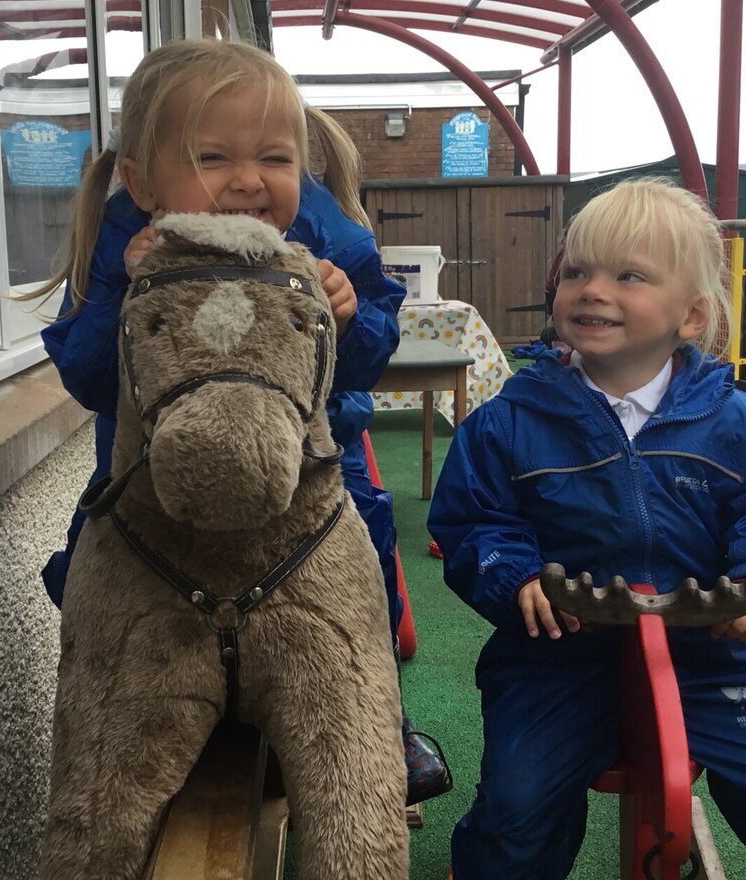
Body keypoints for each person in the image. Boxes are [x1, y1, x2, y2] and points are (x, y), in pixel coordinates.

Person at [25, 37, 449, 804]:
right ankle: (119, 709)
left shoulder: (321, 235)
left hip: (309, 468)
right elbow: (88, 375)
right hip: (155, 474)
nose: (249, 181)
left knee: (364, 548)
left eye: (275, 159)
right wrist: (126, 289)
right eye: (212, 157)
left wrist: (350, 320)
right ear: (142, 179)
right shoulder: (124, 240)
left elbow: (361, 369)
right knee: (102, 551)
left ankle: (382, 720)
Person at [428, 178, 746, 880]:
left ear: (692, 315)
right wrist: (512, 574)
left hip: (707, 655)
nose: (592, 289)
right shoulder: (509, 422)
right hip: (557, 656)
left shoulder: (743, 425)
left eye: (629, 276)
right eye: (576, 271)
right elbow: (473, 520)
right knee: (515, 810)